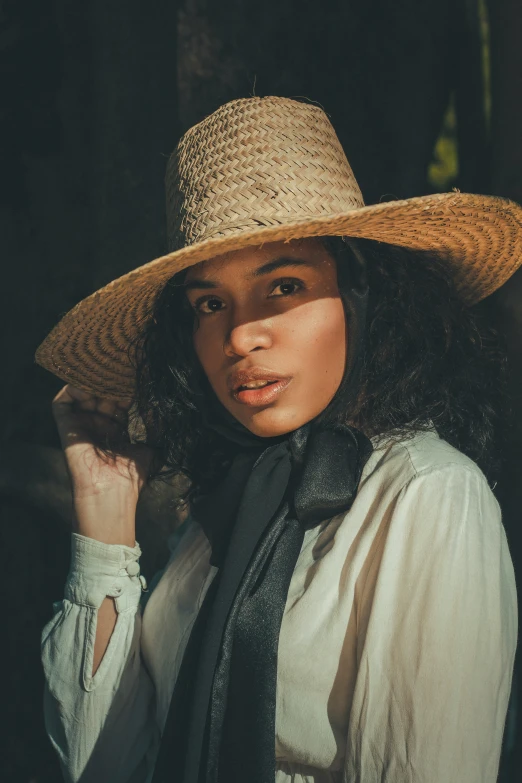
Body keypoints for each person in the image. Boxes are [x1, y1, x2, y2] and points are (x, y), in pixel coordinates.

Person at [37, 96, 519, 783]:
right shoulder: (211, 525)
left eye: (283, 284)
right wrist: (107, 513)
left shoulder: (428, 495)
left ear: (359, 294)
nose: (239, 336)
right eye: (210, 303)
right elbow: (101, 766)